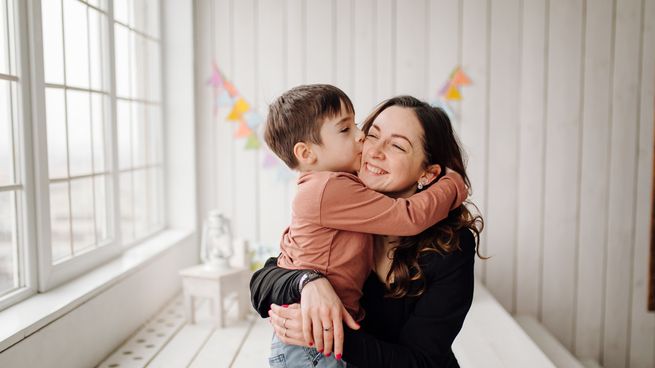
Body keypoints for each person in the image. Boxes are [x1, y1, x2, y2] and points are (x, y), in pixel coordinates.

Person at [251, 95, 484, 368]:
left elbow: (421, 361)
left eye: (397, 145)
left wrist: (327, 335)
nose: (373, 150)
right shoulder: (342, 205)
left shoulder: (451, 247)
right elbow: (263, 281)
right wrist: (309, 282)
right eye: (372, 135)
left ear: (428, 174)